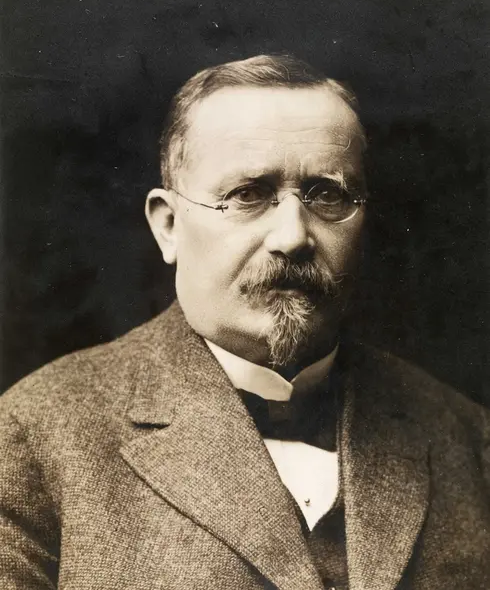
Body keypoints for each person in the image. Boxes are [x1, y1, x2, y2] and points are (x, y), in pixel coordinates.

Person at [0, 54, 489, 590]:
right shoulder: (33, 436)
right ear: (169, 226)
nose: (293, 237)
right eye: (248, 195)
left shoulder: (466, 437)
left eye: (328, 195)